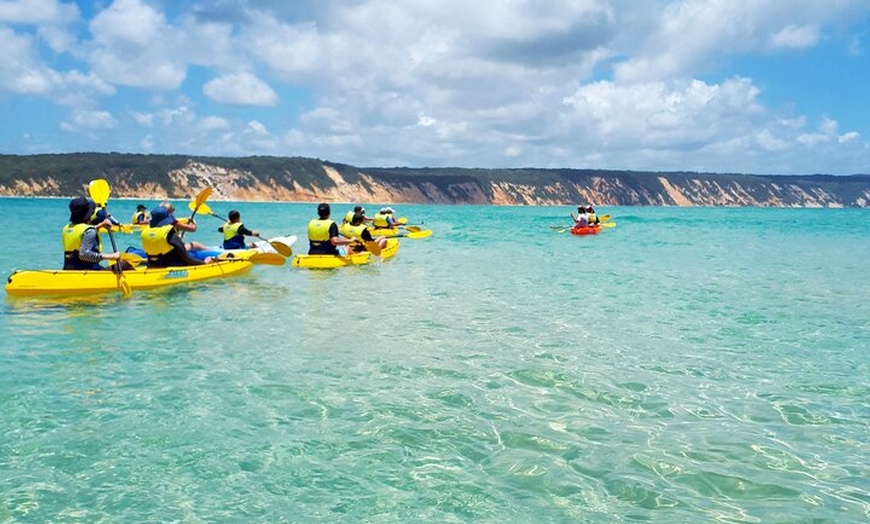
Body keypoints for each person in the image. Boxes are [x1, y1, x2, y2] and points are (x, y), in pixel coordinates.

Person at [62, 196, 131, 271]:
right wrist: (112, 256)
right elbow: (84, 255)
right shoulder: (89, 231)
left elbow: (83, 232)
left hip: (69, 269)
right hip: (89, 271)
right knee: (125, 264)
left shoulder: (66, 228)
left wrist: (100, 225)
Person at [140, 203, 215, 267]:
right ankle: (212, 251)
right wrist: (204, 263)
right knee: (194, 251)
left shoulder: (145, 231)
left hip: (153, 264)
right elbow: (186, 258)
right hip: (171, 264)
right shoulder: (168, 232)